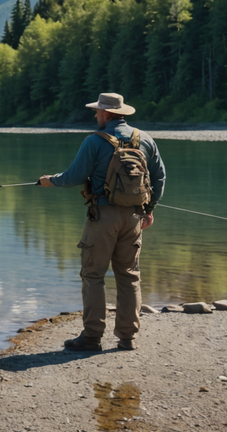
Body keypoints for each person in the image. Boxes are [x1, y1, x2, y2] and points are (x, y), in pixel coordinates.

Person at [38, 93, 166, 351]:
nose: (95, 115)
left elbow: (74, 176)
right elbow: (160, 178)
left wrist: (49, 180)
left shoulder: (94, 141)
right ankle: (127, 337)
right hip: (134, 217)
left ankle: (92, 337)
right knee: (129, 276)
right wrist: (149, 210)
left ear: (106, 114)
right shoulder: (146, 140)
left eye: (97, 112)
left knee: (93, 274)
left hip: (102, 217)